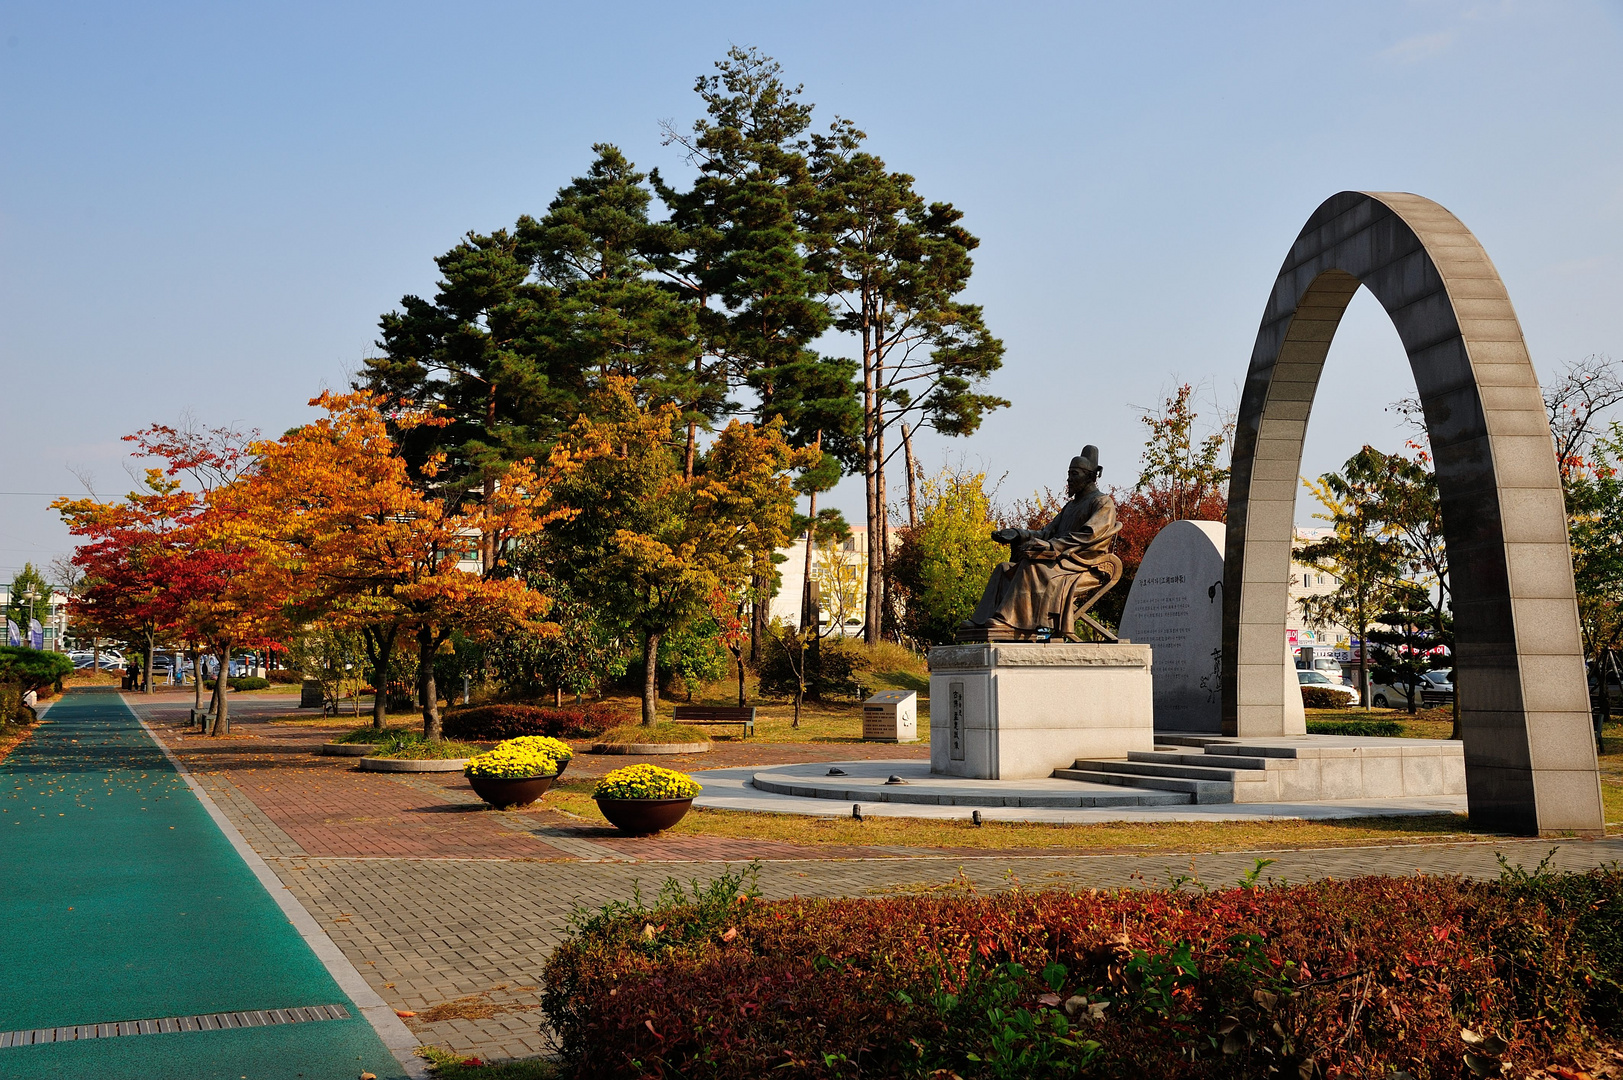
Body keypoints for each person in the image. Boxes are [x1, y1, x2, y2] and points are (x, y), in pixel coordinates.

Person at [961, 445, 1121, 636]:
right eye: (1068, 473)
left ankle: (1008, 621)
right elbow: (1046, 533)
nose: (1069, 479)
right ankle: (981, 621)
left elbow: (1089, 535)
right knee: (1004, 569)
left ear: (1089, 476)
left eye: (1074, 474)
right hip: (1059, 560)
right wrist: (1018, 533)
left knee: (1031, 567)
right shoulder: (1070, 507)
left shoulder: (1102, 503)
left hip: (1082, 563)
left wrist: (1054, 545)